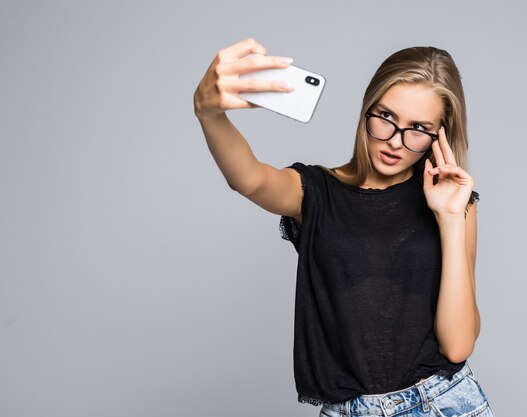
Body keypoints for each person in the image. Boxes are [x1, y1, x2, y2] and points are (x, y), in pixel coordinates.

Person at [194, 37, 495, 417]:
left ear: (441, 135)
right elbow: (250, 180)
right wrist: (210, 114)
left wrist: (451, 220)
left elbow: (457, 346)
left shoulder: (454, 204)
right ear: (366, 109)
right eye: (385, 116)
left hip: (443, 404)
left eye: (417, 128)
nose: (395, 141)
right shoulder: (317, 192)